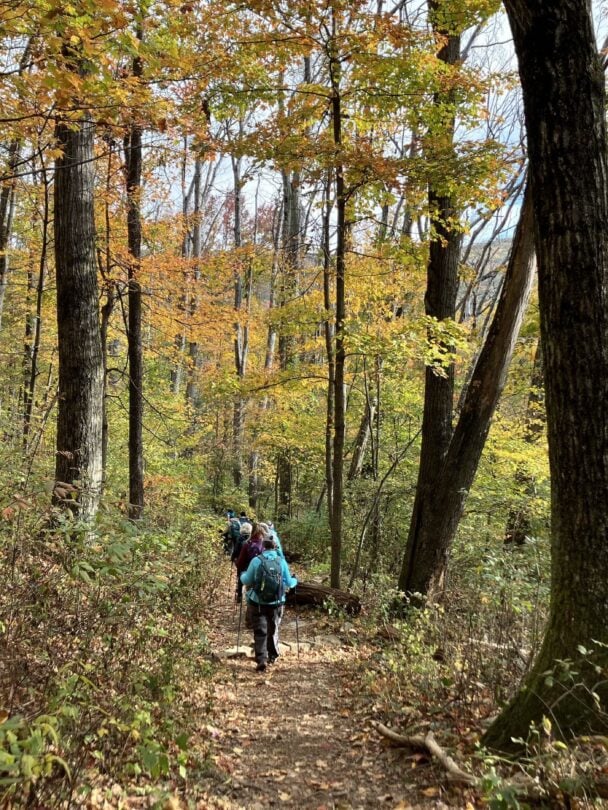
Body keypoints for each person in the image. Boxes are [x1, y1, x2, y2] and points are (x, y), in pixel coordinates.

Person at [240, 537, 297, 672]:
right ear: (275, 547)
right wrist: (295, 580)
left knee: (260, 631)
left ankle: (261, 659)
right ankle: (273, 655)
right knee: (273, 628)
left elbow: (246, 580)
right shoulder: (281, 561)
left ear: (263, 547)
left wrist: (242, 575)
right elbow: (289, 583)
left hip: (257, 602)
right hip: (277, 602)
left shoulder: (256, 561)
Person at [235, 524, 264, 603]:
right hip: (261, 573)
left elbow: (240, 562)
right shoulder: (264, 544)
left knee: (242, 578)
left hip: (248, 572)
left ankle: (240, 595)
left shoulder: (247, 544)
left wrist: (236, 563)